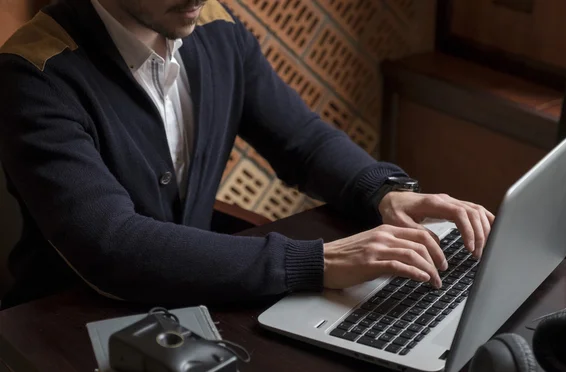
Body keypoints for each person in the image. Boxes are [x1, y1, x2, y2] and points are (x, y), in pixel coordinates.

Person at [0, 0, 494, 309]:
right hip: (64, 325)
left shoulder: (216, 27)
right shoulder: (32, 75)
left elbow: (302, 139)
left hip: (190, 297)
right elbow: (113, 246)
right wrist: (316, 261)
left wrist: (382, 191)